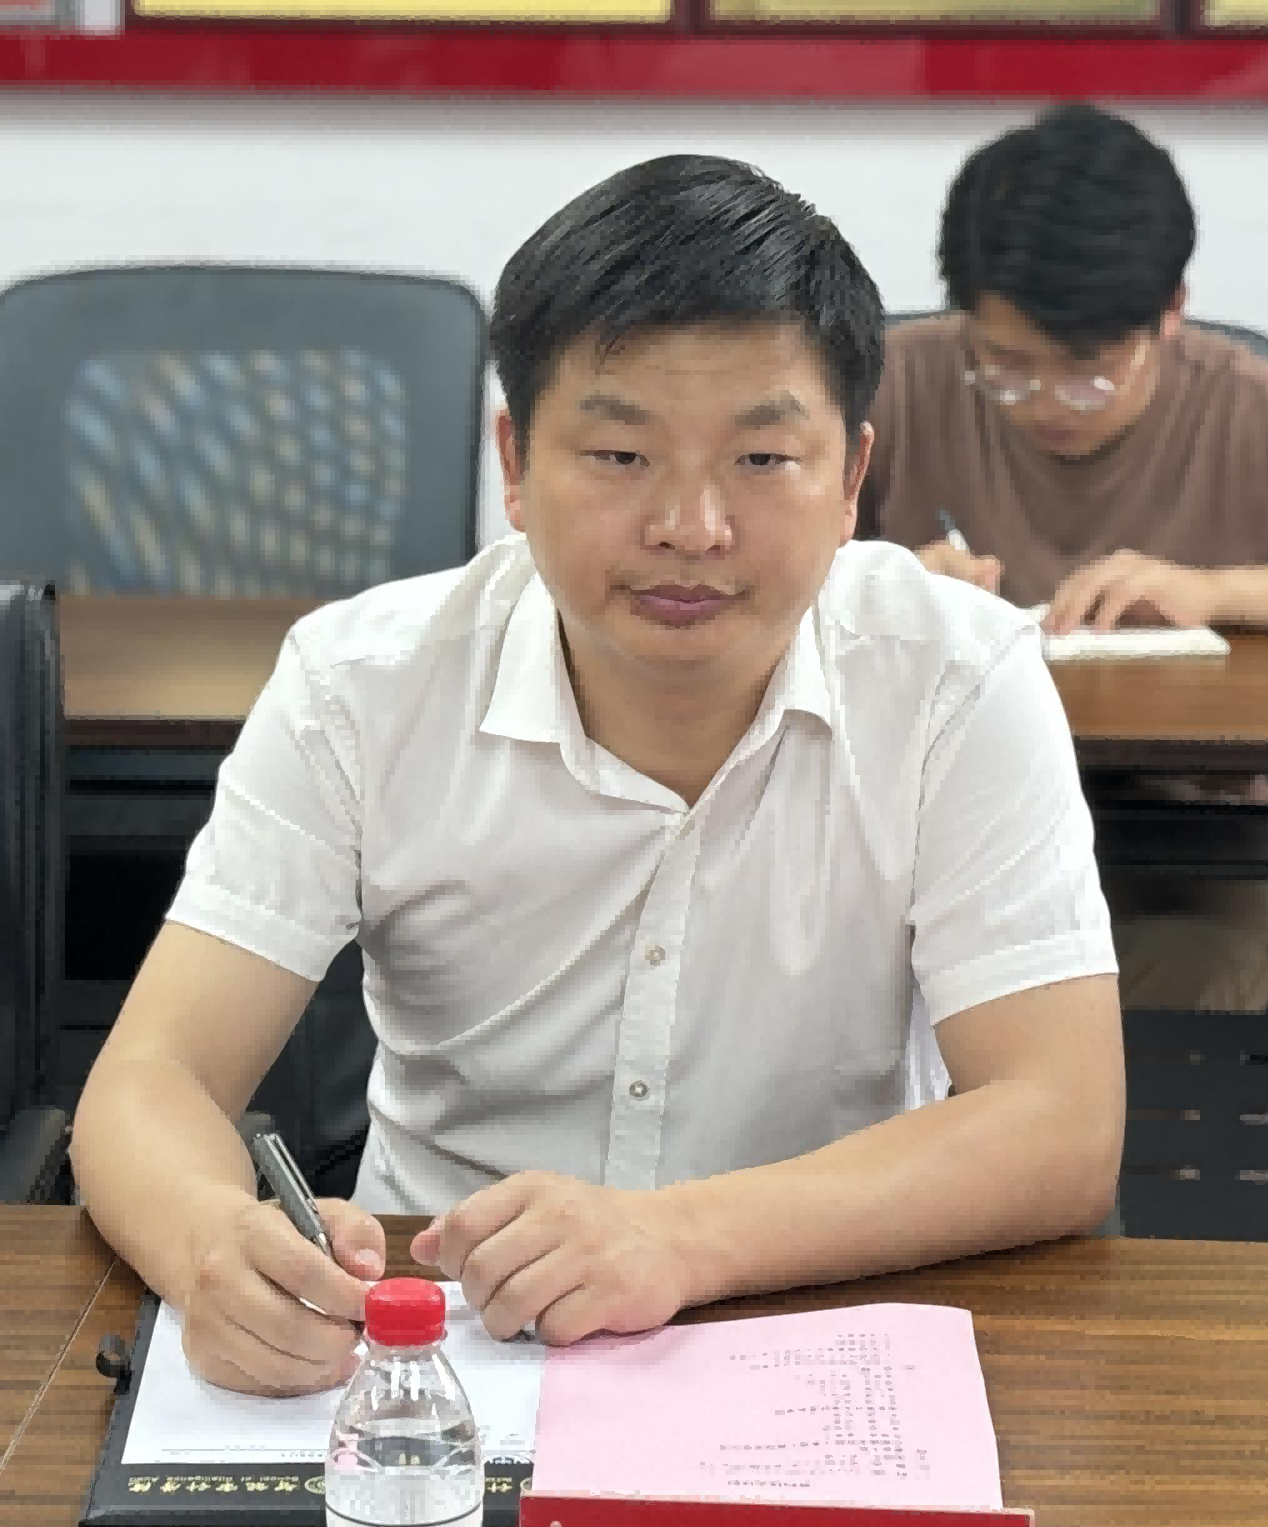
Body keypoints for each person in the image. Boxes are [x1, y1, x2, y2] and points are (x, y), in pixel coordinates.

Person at [70, 155, 1122, 1398]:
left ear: (849, 480)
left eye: (760, 460)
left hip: (815, 1329)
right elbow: (152, 1080)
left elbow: (1058, 1119)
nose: (690, 526)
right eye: (620, 456)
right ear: (513, 463)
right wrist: (213, 1247)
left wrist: (678, 1238)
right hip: (437, 1350)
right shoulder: (363, 685)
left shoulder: (952, 678)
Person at [857, 101, 1268, 1014]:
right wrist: (883, 582)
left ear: (1171, 311)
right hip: (933, 833)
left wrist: (1216, 590)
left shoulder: (1245, 407)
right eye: (1005, 365)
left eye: (1087, 369)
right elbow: (758, 582)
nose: (1044, 400)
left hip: (1187, 840)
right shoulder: (891, 384)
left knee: (1220, 971)